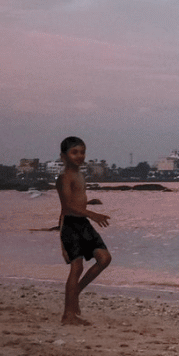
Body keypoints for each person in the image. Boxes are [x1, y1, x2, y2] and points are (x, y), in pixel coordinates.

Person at [54, 136, 112, 326]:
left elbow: (80, 199)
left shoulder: (80, 175)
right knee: (76, 267)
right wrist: (93, 214)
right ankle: (68, 315)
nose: (79, 156)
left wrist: (89, 214)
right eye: (74, 152)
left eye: (82, 152)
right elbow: (69, 206)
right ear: (63, 156)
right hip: (70, 223)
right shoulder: (64, 177)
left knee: (104, 258)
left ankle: (76, 291)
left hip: (83, 223)